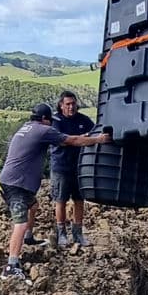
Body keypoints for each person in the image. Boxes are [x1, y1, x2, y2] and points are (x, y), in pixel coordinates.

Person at [0, 103, 108, 282]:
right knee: (20, 222)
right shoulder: (43, 130)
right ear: (45, 119)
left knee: (33, 206)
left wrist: (82, 137)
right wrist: (99, 140)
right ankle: (11, 265)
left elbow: (72, 138)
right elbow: (71, 141)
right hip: (16, 184)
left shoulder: (26, 127)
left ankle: (29, 238)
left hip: (12, 180)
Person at [50, 89, 96, 249]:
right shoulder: (56, 121)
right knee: (60, 201)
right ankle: (61, 234)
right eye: (68, 104)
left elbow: (95, 131)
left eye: (74, 103)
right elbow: (64, 141)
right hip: (61, 167)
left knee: (79, 200)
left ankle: (78, 234)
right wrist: (85, 137)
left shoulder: (83, 119)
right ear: (61, 106)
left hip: (80, 167)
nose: (71, 107)